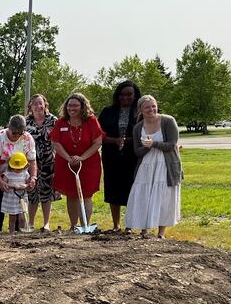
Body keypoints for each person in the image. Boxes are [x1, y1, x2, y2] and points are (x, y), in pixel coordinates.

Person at [124, 95, 182, 239]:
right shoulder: (138, 127)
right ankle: (144, 230)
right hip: (146, 166)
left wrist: (154, 144)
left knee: (163, 196)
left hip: (165, 165)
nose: (152, 109)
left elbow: (172, 144)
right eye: (147, 107)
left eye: (154, 106)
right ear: (141, 110)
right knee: (143, 195)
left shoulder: (168, 121)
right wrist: (147, 147)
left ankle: (161, 232)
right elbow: (137, 151)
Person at [50, 93, 104, 231]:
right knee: (71, 194)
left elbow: (97, 142)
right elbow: (55, 142)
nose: (71, 108)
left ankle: (85, 225)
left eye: (75, 105)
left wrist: (82, 158)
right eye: (69, 105)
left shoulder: (91, 121)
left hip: (88, 163)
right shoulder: (61, 122)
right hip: (66, 163)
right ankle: (73, 226)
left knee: (86, 194)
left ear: (82, 107)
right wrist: (68, 158)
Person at [98, 80, 141, 232]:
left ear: (135, 95)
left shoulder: (140, 112)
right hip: (112, 155)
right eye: (122, 95)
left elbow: (145, 133)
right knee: (113, 188)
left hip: (133, 156)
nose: (125, 98)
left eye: (129, 95)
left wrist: (128, 140)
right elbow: (99, 134)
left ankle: (129, 225)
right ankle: (116, 225)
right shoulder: (108, 111)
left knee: (131, 189)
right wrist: (115, 141)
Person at [0, 115, 37, 232]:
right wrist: (0, 181)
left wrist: (33, 177)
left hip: (17, 175)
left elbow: (32, 160)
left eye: (20, 133)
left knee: (18, 202)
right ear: (8, 128)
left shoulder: (27, 139)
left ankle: (16, 230)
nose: (17, 136)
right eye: (14, 133)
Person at [25, 94, 60, 230]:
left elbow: (59, 140)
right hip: (31, 162)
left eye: (40, 103)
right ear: (30, 107)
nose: (38, 106)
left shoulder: (53, 120)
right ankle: (31, 223)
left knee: (47, 193)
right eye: (35, 104)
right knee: (32, 192)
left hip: (49, 160)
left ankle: (46, 223)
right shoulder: (26, 122)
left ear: (45, 105)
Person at [1, 152, 31, 233]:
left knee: (22, 216)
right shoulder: (8, 174)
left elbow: (29, 185)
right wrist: (13, 186)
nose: (18, 169)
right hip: (11, 198)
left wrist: (25, 185)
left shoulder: (25, 174)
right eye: (16, 167)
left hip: (22, 197)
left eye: (20, 168)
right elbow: (4, 184)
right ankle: (11, 232)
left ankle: (22, 231)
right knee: (12, 217)